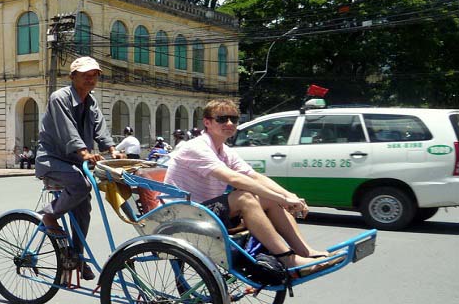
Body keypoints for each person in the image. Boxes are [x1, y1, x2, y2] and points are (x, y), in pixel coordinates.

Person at [163, 99, 340, 276]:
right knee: (244, 197)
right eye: (222, 119)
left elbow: (254, 176)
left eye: (234, 119)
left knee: (268, 198)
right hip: (183, 214)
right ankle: (288, 259)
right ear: (207, 122)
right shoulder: (196, 147)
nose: (229, 123)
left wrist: (288, 195)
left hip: (204, 211)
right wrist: (284, 199)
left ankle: (305, 252)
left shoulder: (224, 150)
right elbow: (233, 178)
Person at [35, 56, 124, 281]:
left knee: (84, 210)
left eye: (94, 75)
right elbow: (67, 131)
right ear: (72, 76)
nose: (90, 78)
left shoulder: (91, 102)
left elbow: (100, 129)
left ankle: (76, 256)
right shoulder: (59, 98)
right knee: (81, 184)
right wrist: (84, 152)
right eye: (85, 74)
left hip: (75, 163)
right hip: (52, 160)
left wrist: (112, 149)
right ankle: (49, 215)